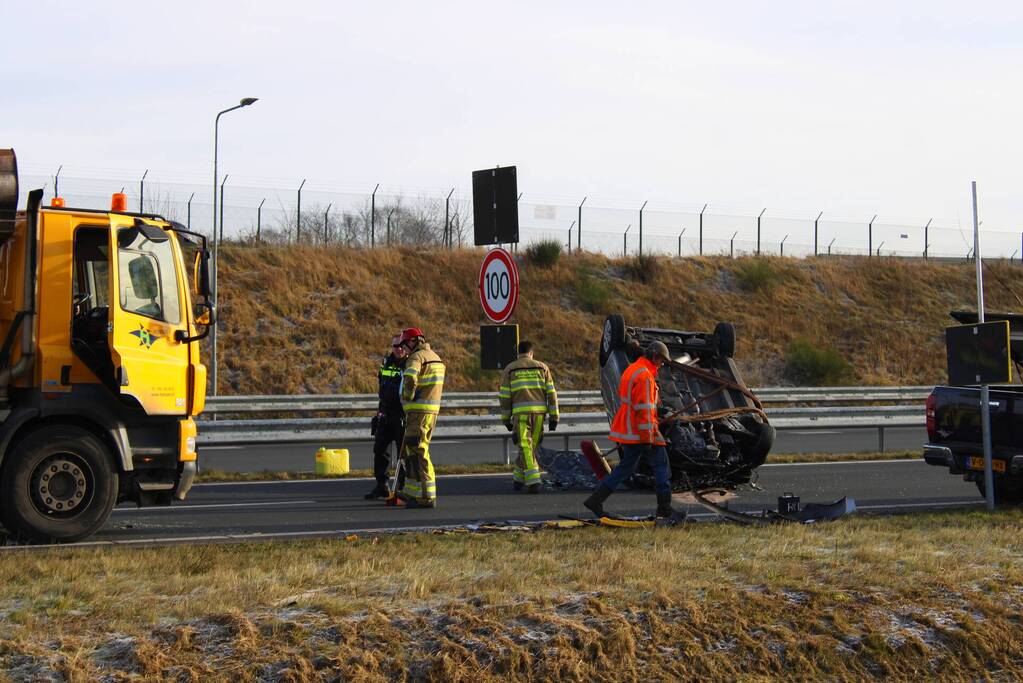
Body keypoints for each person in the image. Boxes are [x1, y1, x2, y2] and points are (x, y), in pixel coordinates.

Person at [583, 340, 676, 519]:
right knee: (661, 467)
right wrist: (648, 438)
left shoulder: (632, 369)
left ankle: (595, 500)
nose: (662, 364)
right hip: (642, 432)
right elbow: (644, 410)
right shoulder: (646, 377)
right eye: (661, 360)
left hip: (628, 429)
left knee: (624, 468)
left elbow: (634, 401)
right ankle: (664, 510)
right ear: (655, 356)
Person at [498, 340, 559, 493]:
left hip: (521, 415)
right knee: (530, 447)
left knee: (525, 446)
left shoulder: (510, 369)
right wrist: (554, 417)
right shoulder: (542, 367)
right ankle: (522, 479)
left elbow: (505, 396)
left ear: (518, 354)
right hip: (539, 414)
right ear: (531, 353)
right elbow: (551, 394)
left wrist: (506, 419)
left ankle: (531, 480)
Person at [395, 327, 445, 508]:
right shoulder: (435, 357)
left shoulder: (416, 358)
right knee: (411, 452)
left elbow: (410, 378)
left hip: (418, 412)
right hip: (428, 412)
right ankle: (411, 491)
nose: (404, 350)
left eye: (405, 345)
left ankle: (427, 496)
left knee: (419, 451)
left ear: (412, 342)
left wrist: (407, 396)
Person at [365, 335, 407, 500]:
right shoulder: (386, 363)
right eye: (396, 346)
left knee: (403, 453)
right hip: (385, 413)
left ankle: (402, 488)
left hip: (401, 413)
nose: (399, 349)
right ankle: (381, 485)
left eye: (401, 346)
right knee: (380, 450)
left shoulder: (411, 364)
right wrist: (380, 410)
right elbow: (381, 388)